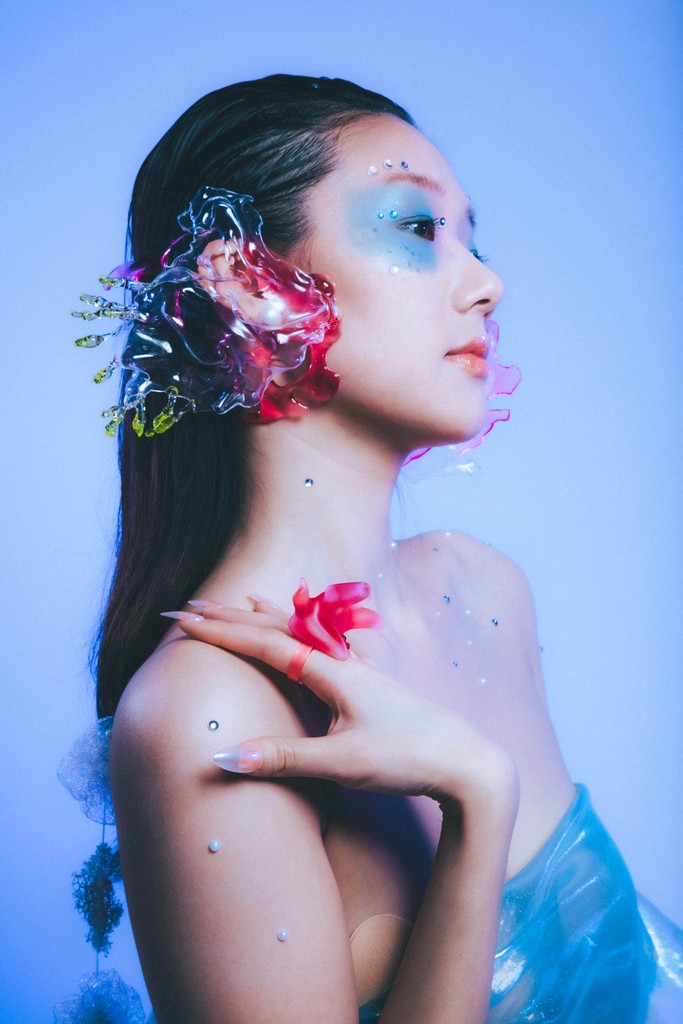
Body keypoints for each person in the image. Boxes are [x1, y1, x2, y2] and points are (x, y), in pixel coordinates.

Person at [82, 75, 682, 1023]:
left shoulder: (480, 591)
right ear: (250, 284)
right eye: (415, 228)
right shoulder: (210, 716)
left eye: (469, 236)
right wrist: (475, 804)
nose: (485, 281)